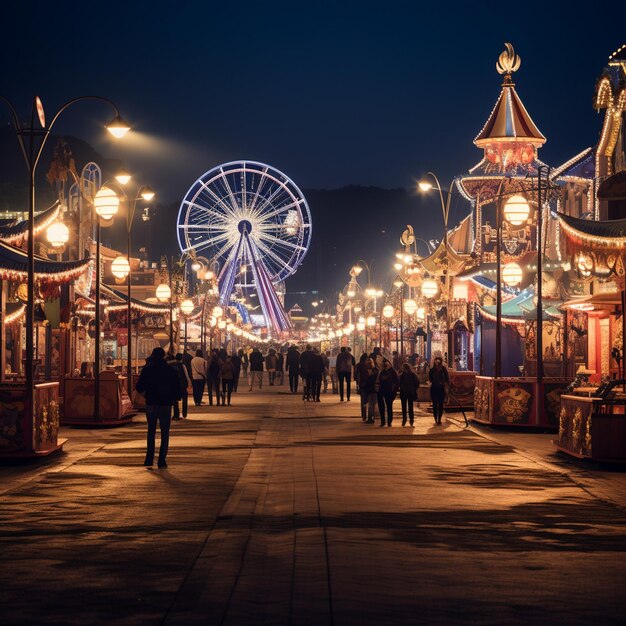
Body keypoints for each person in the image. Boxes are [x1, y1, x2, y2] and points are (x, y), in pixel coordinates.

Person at [135, 347, 182, 469]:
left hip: (151, 402)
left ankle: (149, 458)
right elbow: (177, 386)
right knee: (165, 432)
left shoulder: (147, 370)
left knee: (151, 431)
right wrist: (177, 396)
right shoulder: (170, 370)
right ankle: (162, 460)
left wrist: (146, 391)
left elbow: (139, 387)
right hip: (166, 403)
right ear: (163, 356)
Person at [377, 359, 399, 427]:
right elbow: (380, 379)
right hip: (382, 391)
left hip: (389, 391)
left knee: (389, 406)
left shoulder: (392, 372)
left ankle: (389, 421)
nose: (385, 367)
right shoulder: (383, 372)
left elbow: (396, 382)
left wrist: (394, 391)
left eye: (386, 365)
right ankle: (383, 421)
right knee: (382, 407)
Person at [169, 353, 191, 420]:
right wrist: (189, 383)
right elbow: (186, 375)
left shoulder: (171, 365)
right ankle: (184, 413)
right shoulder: (182, 365)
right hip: (182, 385)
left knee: (175, 400)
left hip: (174, 385)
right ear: (181, 358)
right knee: (184, 399)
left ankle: (176, 414)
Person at [429, 356, 449, 424]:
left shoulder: (443, 369)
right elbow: (430, 379)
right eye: (436, 362)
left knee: (441, 404)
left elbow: (447, 378)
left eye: (439, 362)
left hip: (441, 389)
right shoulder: (432, 370)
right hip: (434, 388)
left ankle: (439, 419)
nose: (437, 364)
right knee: (435, 404)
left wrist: (447, 386)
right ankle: (435, 418)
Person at [359, 358, 379, 423]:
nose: (369, 364)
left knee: (370, 404)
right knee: (366, 404)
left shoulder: (374, 370)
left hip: (370, 389)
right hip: (366, 388)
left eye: (370, 363)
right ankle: (366, 417)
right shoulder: (364, 370)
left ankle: (369, 417)